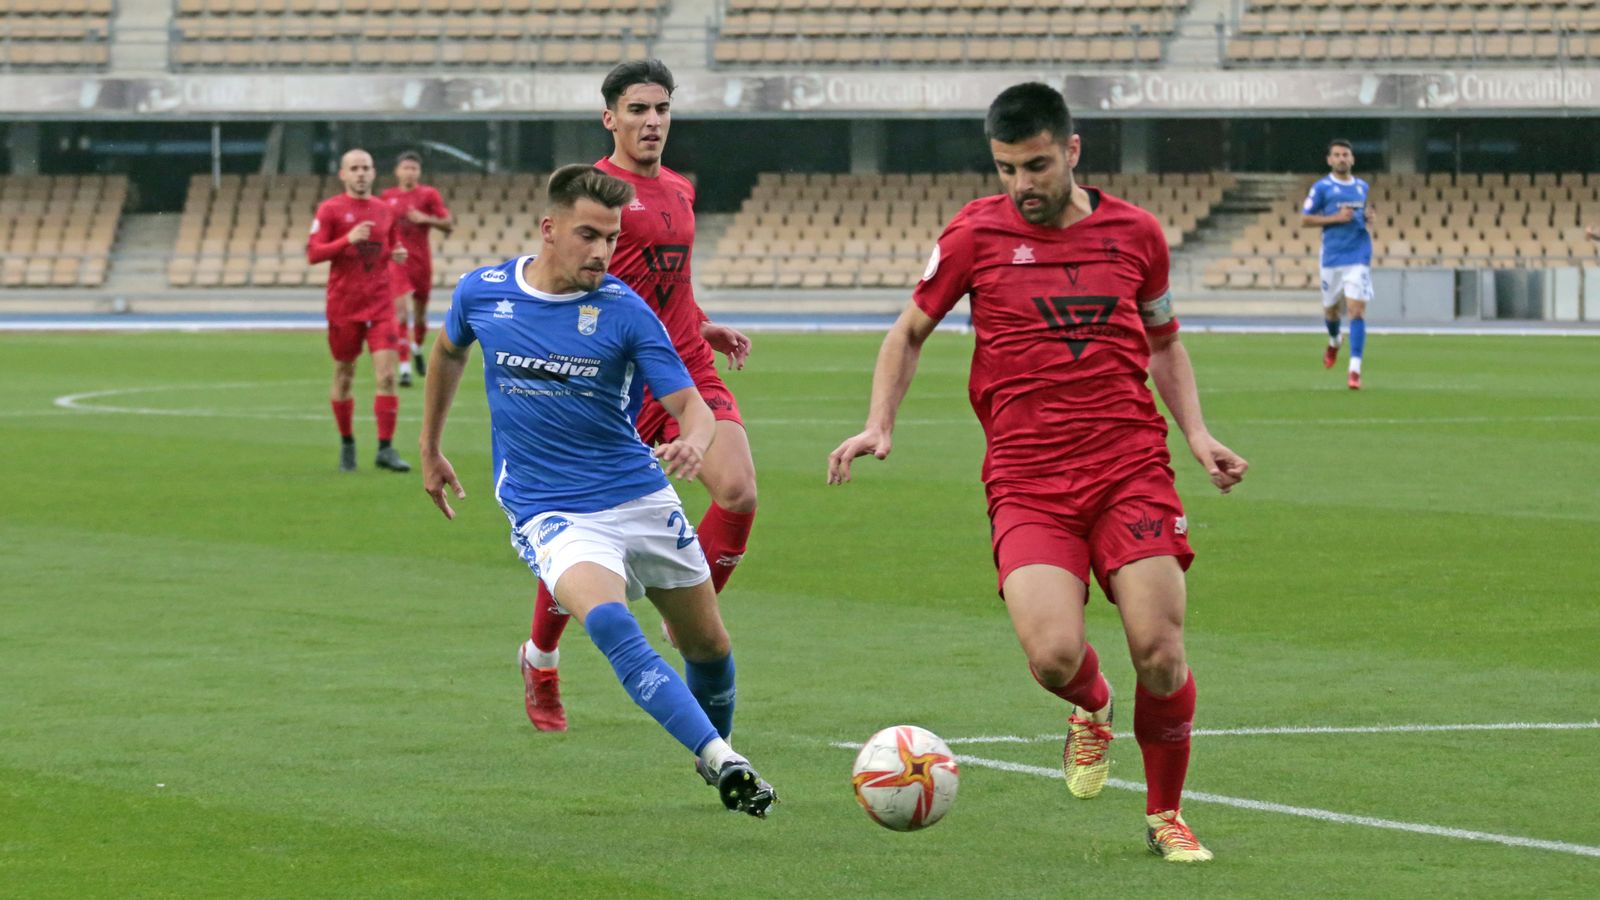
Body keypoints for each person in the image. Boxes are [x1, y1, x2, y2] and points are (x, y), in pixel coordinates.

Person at [826, 83, 1247, 863]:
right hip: (1027, 480)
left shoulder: (1137, 233)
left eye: (1037, 165)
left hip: (1130, 468)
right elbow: (909, 331)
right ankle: (1092, 706)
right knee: (1053, 656)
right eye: (1007, 168)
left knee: (1160, 649)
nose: (1023, 184)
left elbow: (1163, 341)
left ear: (1073, 151)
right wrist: (879, 422)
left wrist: (1197, 434)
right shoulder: (973, 236)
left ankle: (1164, 816)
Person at [418, 164, 777, 817]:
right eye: (588, 234)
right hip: (549, 509)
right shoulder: (485, 293)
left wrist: (695, 440)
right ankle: (724, 761)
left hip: (637, 494)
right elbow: (447, 352)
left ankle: (716, 746)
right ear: (549, 230)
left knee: (709, 648)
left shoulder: (623, 311)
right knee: (611, 621)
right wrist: (431, 448)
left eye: (611, 238)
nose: (602, 251)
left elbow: (690, 405)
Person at [520, 59, 758, 733]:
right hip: (614, 381)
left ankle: (686, 618)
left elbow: (670, 285)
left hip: (683, 368)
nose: (652, 121)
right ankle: (539, 655)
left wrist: (702, 322)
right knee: (582, 529)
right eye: (637, 110)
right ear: (611, 119)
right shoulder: (595, 197)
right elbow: (563, 280)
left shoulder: (680, 189)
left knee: (738, 491)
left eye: (661, 109)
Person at [306, 148, 411, 473]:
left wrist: (397, 253)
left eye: (366, 167)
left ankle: (385, 448)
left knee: (388, 375)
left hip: (380, 305)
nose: (361, 173)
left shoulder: (384, 210)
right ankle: (347, 443)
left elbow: (392, 243)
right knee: (344, 374)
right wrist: (346, 240)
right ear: (343, 174)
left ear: (373, 172)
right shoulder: (330, 210)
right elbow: (313, 253)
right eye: (354, 168)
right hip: (343, 307)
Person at [1300, 139, 1374, 390]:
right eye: (1337, 155)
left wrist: (1368, 217)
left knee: (1356, 310)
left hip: (1358, 257)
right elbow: (1305, 219)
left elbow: (1362, 216)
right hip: (1332, 257)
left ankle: (1354, 370)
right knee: (1331, 311)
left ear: (1352, 159)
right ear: (1329, 160)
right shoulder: (1321, 188)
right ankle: (1334, 341)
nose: (1342, 158)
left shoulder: (1362, 187)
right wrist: (1336, 218)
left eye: (1346, 154)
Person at [380, 151, 454, 388]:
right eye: (405, 168)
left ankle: (417, 348)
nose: (409, 172)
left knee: (420, 315)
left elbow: (448, 224)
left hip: (421, 262)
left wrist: (425, 218)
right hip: (397, 261)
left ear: (418, 172)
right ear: (397, 171)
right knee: (400, 314)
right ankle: (404, 369)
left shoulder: (428, 195)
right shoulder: (387, 197)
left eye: (413, 168)